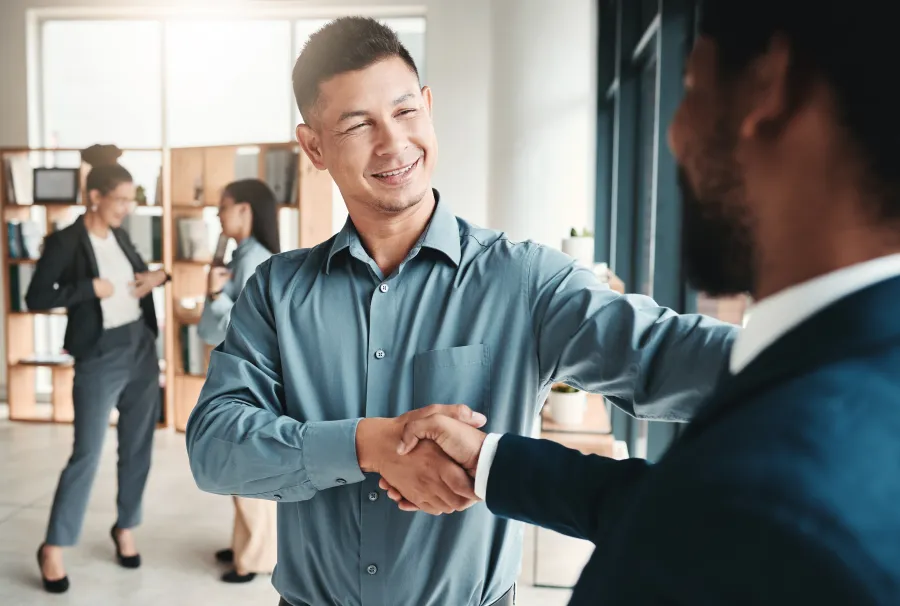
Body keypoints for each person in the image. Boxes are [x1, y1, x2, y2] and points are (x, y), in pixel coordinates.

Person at [185, 17, 737, 606]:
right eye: (357, 124)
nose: (393, 142)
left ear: (427, 107)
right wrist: (369, 444)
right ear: (314, 146)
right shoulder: (277, 291)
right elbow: (215, 449)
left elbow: (662, 353)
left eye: (404, 112)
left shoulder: (523, 279)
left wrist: (820, 346)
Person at [385, 1, 900, 604]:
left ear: (769, 86)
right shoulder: (853, 377)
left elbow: (723, 518)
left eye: (689, 88)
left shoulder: (771, 507)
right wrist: (497, 463)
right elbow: (701, 515)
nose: (676, 134)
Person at [27, 144, 170, 594]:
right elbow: (36, 297)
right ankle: (54, 545)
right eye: (121, 200)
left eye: (131, 200)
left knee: (137, 445)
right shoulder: (66, 241)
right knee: (87, 452)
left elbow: (143, 275)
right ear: (95, 196)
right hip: (99, 354)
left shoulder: (122, 236)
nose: (128, 209)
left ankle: (125, 526)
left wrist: (158, 278)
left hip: (141, 348)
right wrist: (87, 287)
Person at [197, 178, 280, 584]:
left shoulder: (255, 260)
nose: (218, 214)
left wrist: (216, 296)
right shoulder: (239, 255)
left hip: (251, 378)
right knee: (237, 463)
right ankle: (244, 546)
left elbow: (246, 327)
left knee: (247, 464)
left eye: (224, 206)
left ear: (246, 210)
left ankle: (256, 557)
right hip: (238, 374)